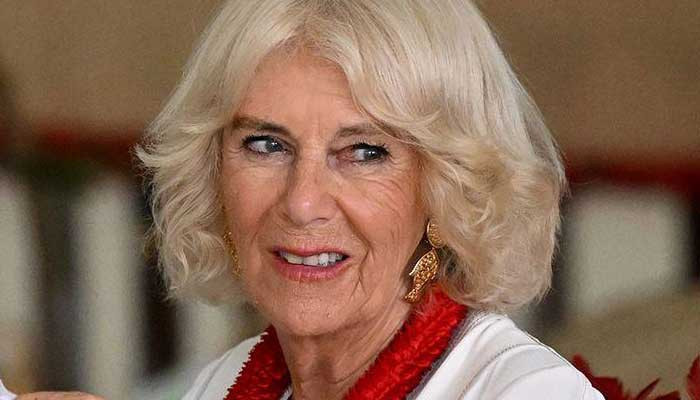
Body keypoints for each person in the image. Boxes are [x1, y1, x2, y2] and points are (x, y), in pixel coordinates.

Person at [136, 0, 604, 399]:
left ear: (449, 186)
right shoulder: (218, 385)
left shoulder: (528, 391)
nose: (302, 203)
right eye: (266, 145)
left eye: (364, 152)